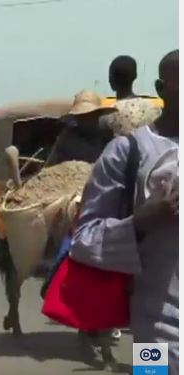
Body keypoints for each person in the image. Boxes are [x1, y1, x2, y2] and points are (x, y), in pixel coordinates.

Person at [70, 50, 179, 374]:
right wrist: (143, 219)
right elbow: (85, 238)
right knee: (150, 371)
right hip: (154, 326)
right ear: (161, 87)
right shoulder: (127, 150)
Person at [46, 90, 115, 166]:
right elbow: (51, 166)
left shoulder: (108, 139)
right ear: (75, 117)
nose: (84, 119)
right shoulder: (67, 139)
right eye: (80, 116)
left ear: (97, 114)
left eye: (89, 115)